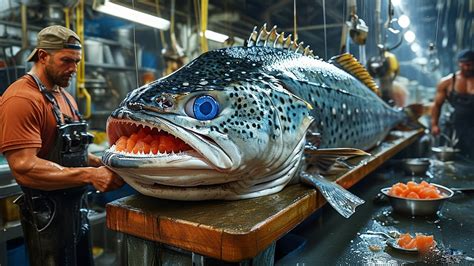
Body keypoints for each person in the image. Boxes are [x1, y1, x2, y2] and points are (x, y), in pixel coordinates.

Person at [0, 25, 124, 265]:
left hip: (77, 209)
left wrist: (104, 164)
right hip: (47, 217)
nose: (73, 69)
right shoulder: (21, 99)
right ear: (43, 56)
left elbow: (72, 152)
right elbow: (24, 167)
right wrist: (90, 174)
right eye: (66, 61)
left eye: (77, 62)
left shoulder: (64, 96)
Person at [431, 49, 474, 158]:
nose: (468, 68)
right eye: (465, 65)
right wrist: (434, 124)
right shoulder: (447, 82)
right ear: (459, 63)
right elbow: (437, 105)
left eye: (471, 65)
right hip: (455, 125)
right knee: (454, 158)